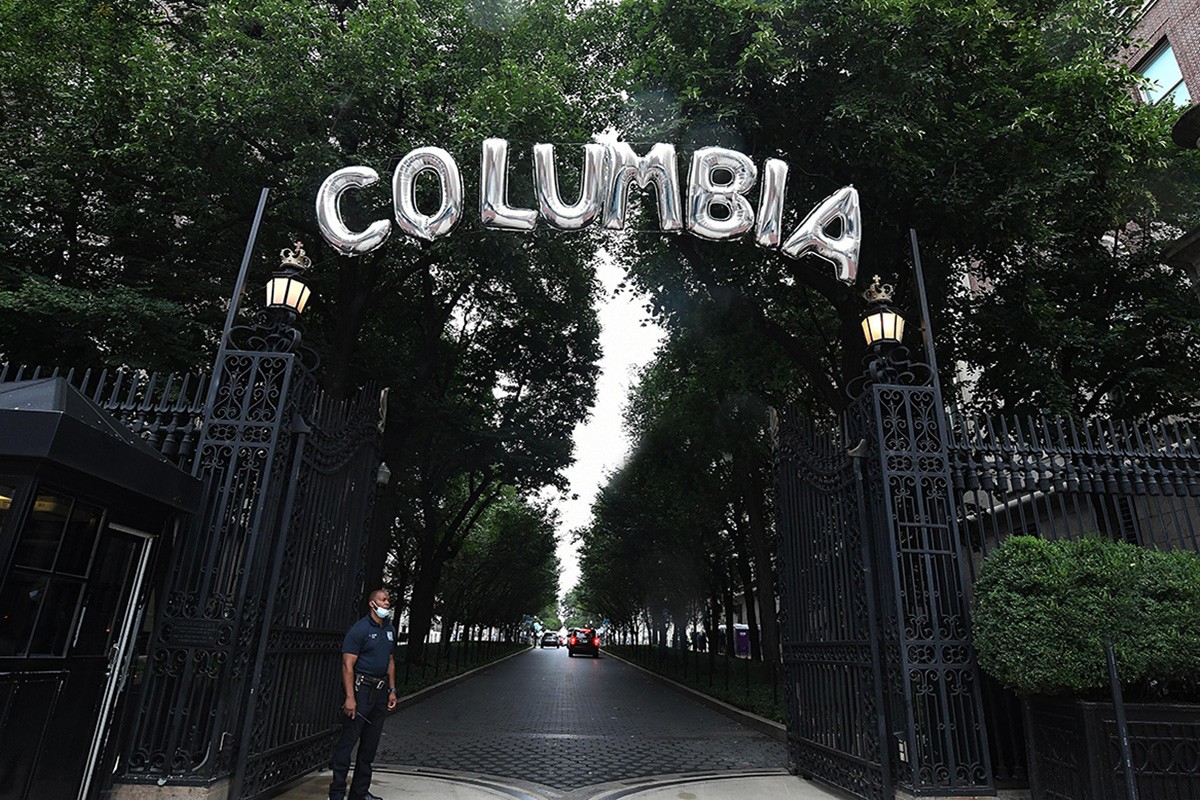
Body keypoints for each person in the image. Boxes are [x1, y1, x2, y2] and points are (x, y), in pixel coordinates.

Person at [328, 589, 398, 800]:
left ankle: (359, 793)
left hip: (380, 691)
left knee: (369, 746)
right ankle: (337, 793)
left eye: (388, 600)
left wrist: (392, 690)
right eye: (383, 600)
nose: (387, 603)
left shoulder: (389, 629)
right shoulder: (359, 630)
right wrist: (350, 697)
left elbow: (390, 660)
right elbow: (347, 665)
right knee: (348, 742)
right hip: (361, 689)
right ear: (372, 603)